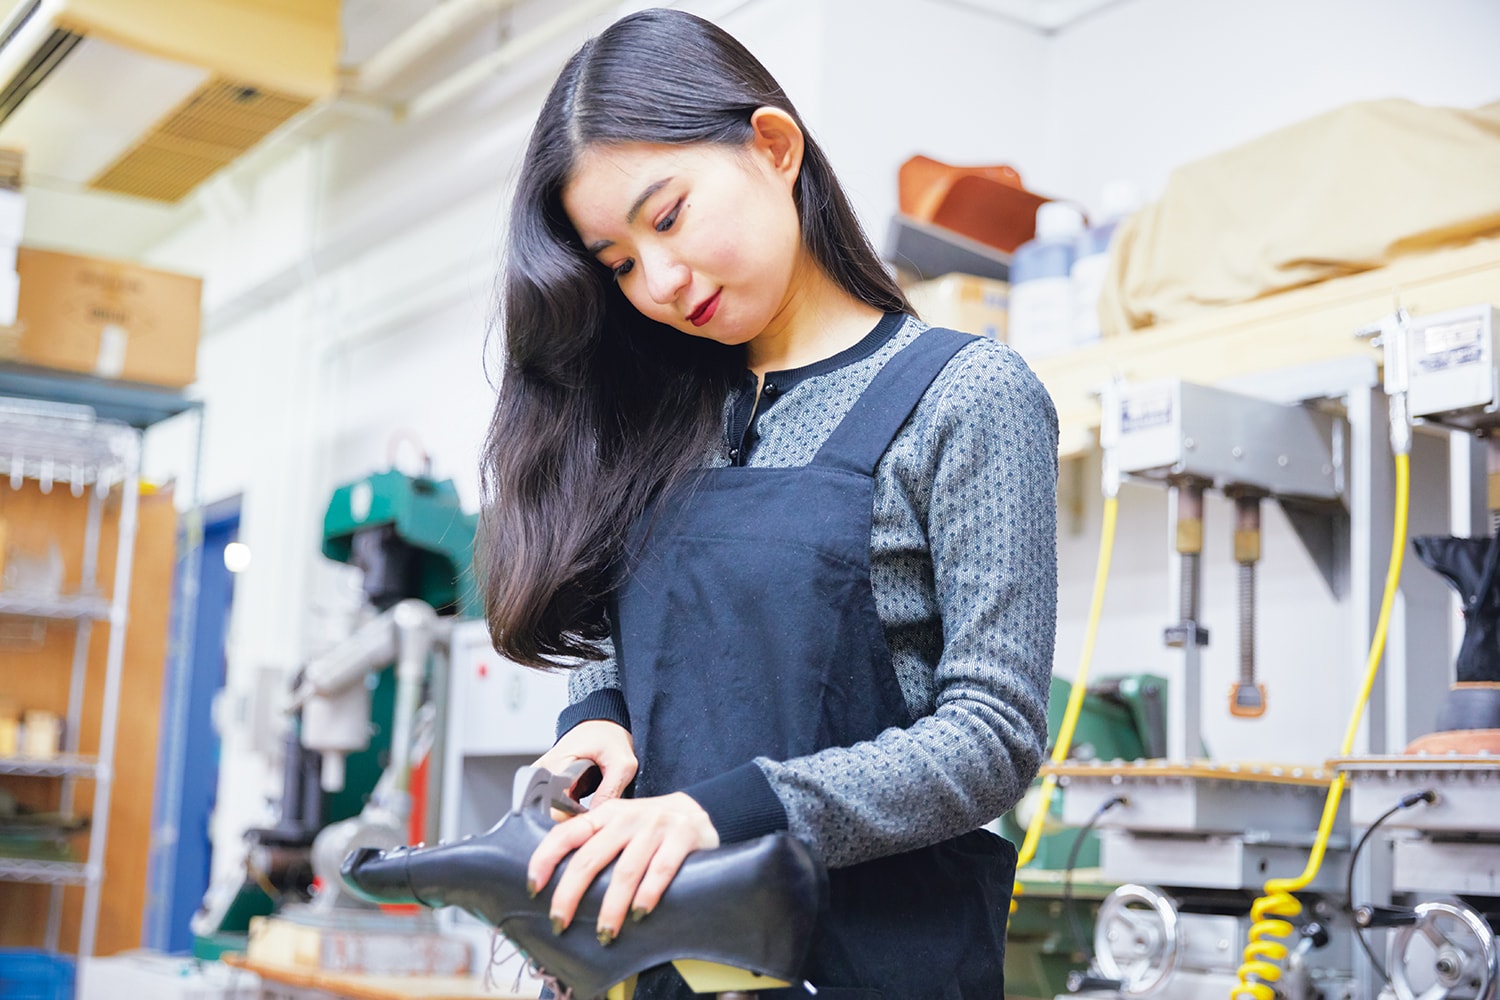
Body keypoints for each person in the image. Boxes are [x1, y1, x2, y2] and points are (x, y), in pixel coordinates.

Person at [477, 8, 1058, 998]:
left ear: (774, 146)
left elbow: (992, 737)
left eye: (667, 217)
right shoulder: (660, 413)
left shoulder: (966, 397)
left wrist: (719, 814)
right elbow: (624, 653)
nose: (657, 280)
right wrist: (599, 721)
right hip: (648, 964)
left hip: (864, 962)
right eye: (616, 261)